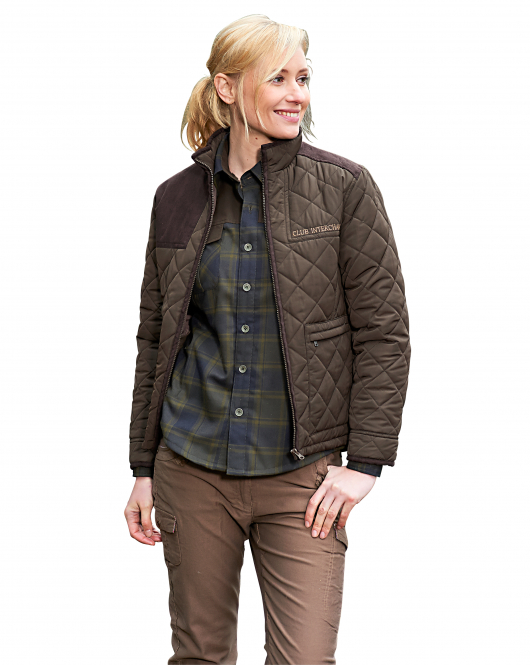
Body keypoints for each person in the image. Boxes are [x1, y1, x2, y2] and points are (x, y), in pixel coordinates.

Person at [124, 14, 411, 664]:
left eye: (303, 79)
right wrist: (142, 468)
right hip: (190, 468)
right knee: (199, 656)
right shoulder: (175, 198)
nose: (296, 94)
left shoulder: (344, 189)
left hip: (301, 478)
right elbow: (155, 338)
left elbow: (384, 332)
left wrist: (365, 462)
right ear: (227, 87)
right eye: (277, 78)